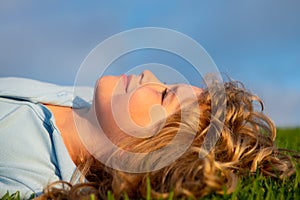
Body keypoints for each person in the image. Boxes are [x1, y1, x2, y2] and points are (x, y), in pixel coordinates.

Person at [0, 70, 298, 199]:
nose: (150, 76)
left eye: (164, 95)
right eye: (167, 82)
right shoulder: (81, 100)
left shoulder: (35, 173)